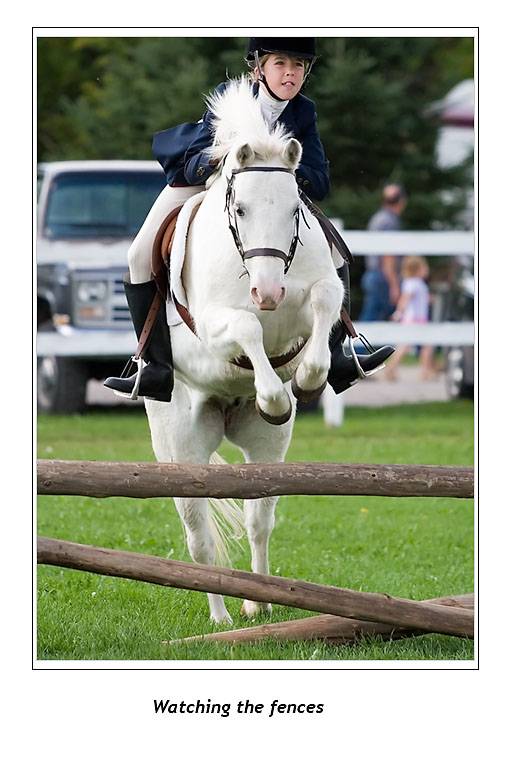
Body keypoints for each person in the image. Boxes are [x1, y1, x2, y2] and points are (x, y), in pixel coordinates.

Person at [104, 37, 393, 401]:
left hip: (275, 193)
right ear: (258, 68)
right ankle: (154, 366)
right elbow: (194, 162)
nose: (290, 74)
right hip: (207, 185)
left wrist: (280, 171)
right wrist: (224, 160)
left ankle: (337, 355)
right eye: (281, 64)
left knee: (334, 250)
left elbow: (319, 181)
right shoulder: (233, 97)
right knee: (138, 254)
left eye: (299, 67)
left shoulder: (304, 112)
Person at [359, 183, 408, 321]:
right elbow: (388, 256)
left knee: (372, 316)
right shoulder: (390, 221)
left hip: (372, 275)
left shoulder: (378, 218)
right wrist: (394, 285)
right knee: (379, 317)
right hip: (383, 277)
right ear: (402, 201)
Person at [384, 254, 436, 380]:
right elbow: (405, 299)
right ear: (417, 269)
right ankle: (391, 368)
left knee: (425, 345)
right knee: (407, 347)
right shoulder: (413, 283)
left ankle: (425, 371)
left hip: (419, 319)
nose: (427, 270)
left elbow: (420, 299)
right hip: (414, 320)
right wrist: (399, 313)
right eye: (425, 267)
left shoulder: (417, 283)